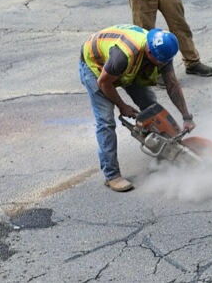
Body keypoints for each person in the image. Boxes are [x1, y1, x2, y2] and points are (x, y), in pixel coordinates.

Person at [78, 25, 196, 192]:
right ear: (150, 53)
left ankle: (167, 150)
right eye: (160, 62)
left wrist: (187, 117)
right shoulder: (124, 56)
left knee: (151, 107)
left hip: (128, 67)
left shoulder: (163, 51)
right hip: (95, 67)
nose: (163, 65)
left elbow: (172, 84)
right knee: (106, 121)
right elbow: (104, 82)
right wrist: (122, 105)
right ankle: (111, 175)